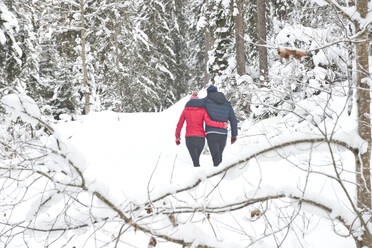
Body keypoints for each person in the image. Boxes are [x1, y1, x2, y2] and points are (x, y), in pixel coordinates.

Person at [175, 91, 228, 167]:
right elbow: (209, 122)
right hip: (200, 139)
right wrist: (222, 125)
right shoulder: (202, 111)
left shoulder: (185, 111)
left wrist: (177, 137)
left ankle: (198, 174)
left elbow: (179, 125)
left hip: (189, 138)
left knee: (195, 162)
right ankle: (200, 173)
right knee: (196, 160)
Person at [202, 85, 238, 167]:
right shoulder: (226, 103)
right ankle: (221, 174)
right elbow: (233, 119)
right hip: (223, 134)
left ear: (208, 93)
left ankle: (217, 176)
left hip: (211, 133)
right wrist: (234, 135)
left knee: (216, 159)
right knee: (219, 157)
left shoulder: (205, 101)